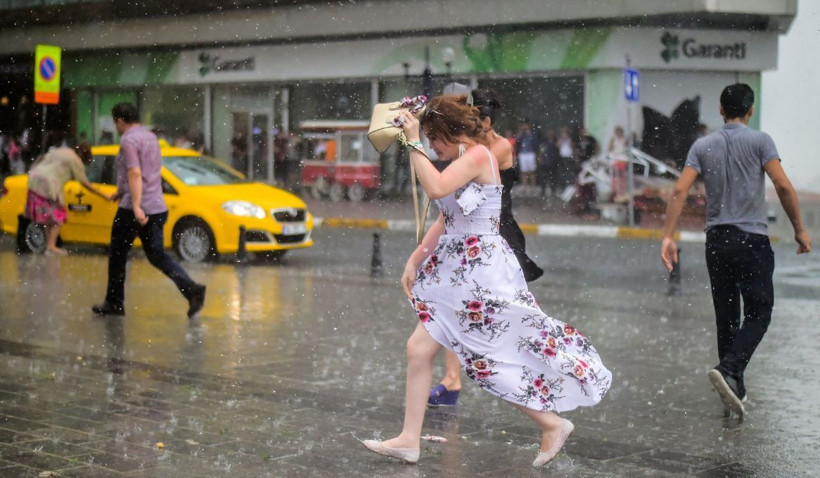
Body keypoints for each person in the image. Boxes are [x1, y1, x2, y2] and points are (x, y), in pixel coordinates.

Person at [361, 95, 611, 466]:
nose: (432, 147)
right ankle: (409, 440)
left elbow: (436, 190)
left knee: (489, 358)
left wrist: (412, 141)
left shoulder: (478, 156)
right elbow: (446, 217)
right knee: (421, 350)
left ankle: (551, 423)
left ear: (447, 131)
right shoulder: (462, 160)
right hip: (459, 270)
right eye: (427, 142)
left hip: (479, 274)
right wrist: (416, 257)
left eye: (434, 140)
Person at [660, 83, 812, 417]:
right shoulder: (761, 141)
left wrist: (668, 236)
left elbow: (680, 189)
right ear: (750, 110)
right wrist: (800, 229)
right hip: (752, 240)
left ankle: (733, 386)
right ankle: (730, 371)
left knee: (727, 316)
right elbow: (783, 186)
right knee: (759, 312)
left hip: (717, 241)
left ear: (720, 109)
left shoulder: (703, 145)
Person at [427, 88, 545, 408]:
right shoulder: (465, 149)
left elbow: (475, 169)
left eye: (469, 120)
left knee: (504, 313)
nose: (464, 127)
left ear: (485, 120)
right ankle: (452, 379)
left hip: (497, 231)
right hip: (467, 229)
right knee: (453, 306)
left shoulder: (494, 148)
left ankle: (530, 365)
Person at [92, 103, 206, 318]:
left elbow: (135, 173)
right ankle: (191, 290)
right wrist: (122, 191)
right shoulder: (150, 138)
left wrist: (135, 205)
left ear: (120, 121)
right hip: (156, 205)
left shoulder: (128, 140)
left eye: (115, 122)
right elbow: (148, 171)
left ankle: (115, 302)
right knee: (157, 255)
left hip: (134, 209)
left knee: (118, 254)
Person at [25, 142, 112, 255]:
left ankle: (49, 246)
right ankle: (51, 246)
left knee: (49, 218)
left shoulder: (62, 150)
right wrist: (104, 195)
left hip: (34, 179)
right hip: (49, 184)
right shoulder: (76, 161)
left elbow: (40, 159)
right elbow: (85, 183)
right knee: (58, 216)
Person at [515, 122, 538, 191]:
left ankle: (533, 186)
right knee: (523, 171)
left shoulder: (532, 134)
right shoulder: (521, 135)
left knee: (532, 171)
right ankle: (524, 186)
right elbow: (516, 139)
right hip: (523, 154)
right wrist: (521, 131)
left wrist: (528, 132)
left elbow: (535, 143)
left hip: (530, 153)